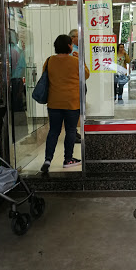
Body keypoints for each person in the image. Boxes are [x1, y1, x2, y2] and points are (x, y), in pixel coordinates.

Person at [40, 34, 90, 173]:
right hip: (72, 103)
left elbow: (45, 75)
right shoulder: (75, 61)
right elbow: (86, 74)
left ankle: (47, 159)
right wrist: (80, 60)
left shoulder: (49, 61)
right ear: (69, 46)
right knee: (70, 131)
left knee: (54, 131)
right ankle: (68, 159)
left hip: (54, 102)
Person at [68, 28, 81, 143]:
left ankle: (74, 132)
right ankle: (72, 133)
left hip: (79, 82)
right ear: (72, 38)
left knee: (77, 110)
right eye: (78, 36)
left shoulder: (78, 49)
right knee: (73, 110)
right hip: (74, 84)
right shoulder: (71, 52)